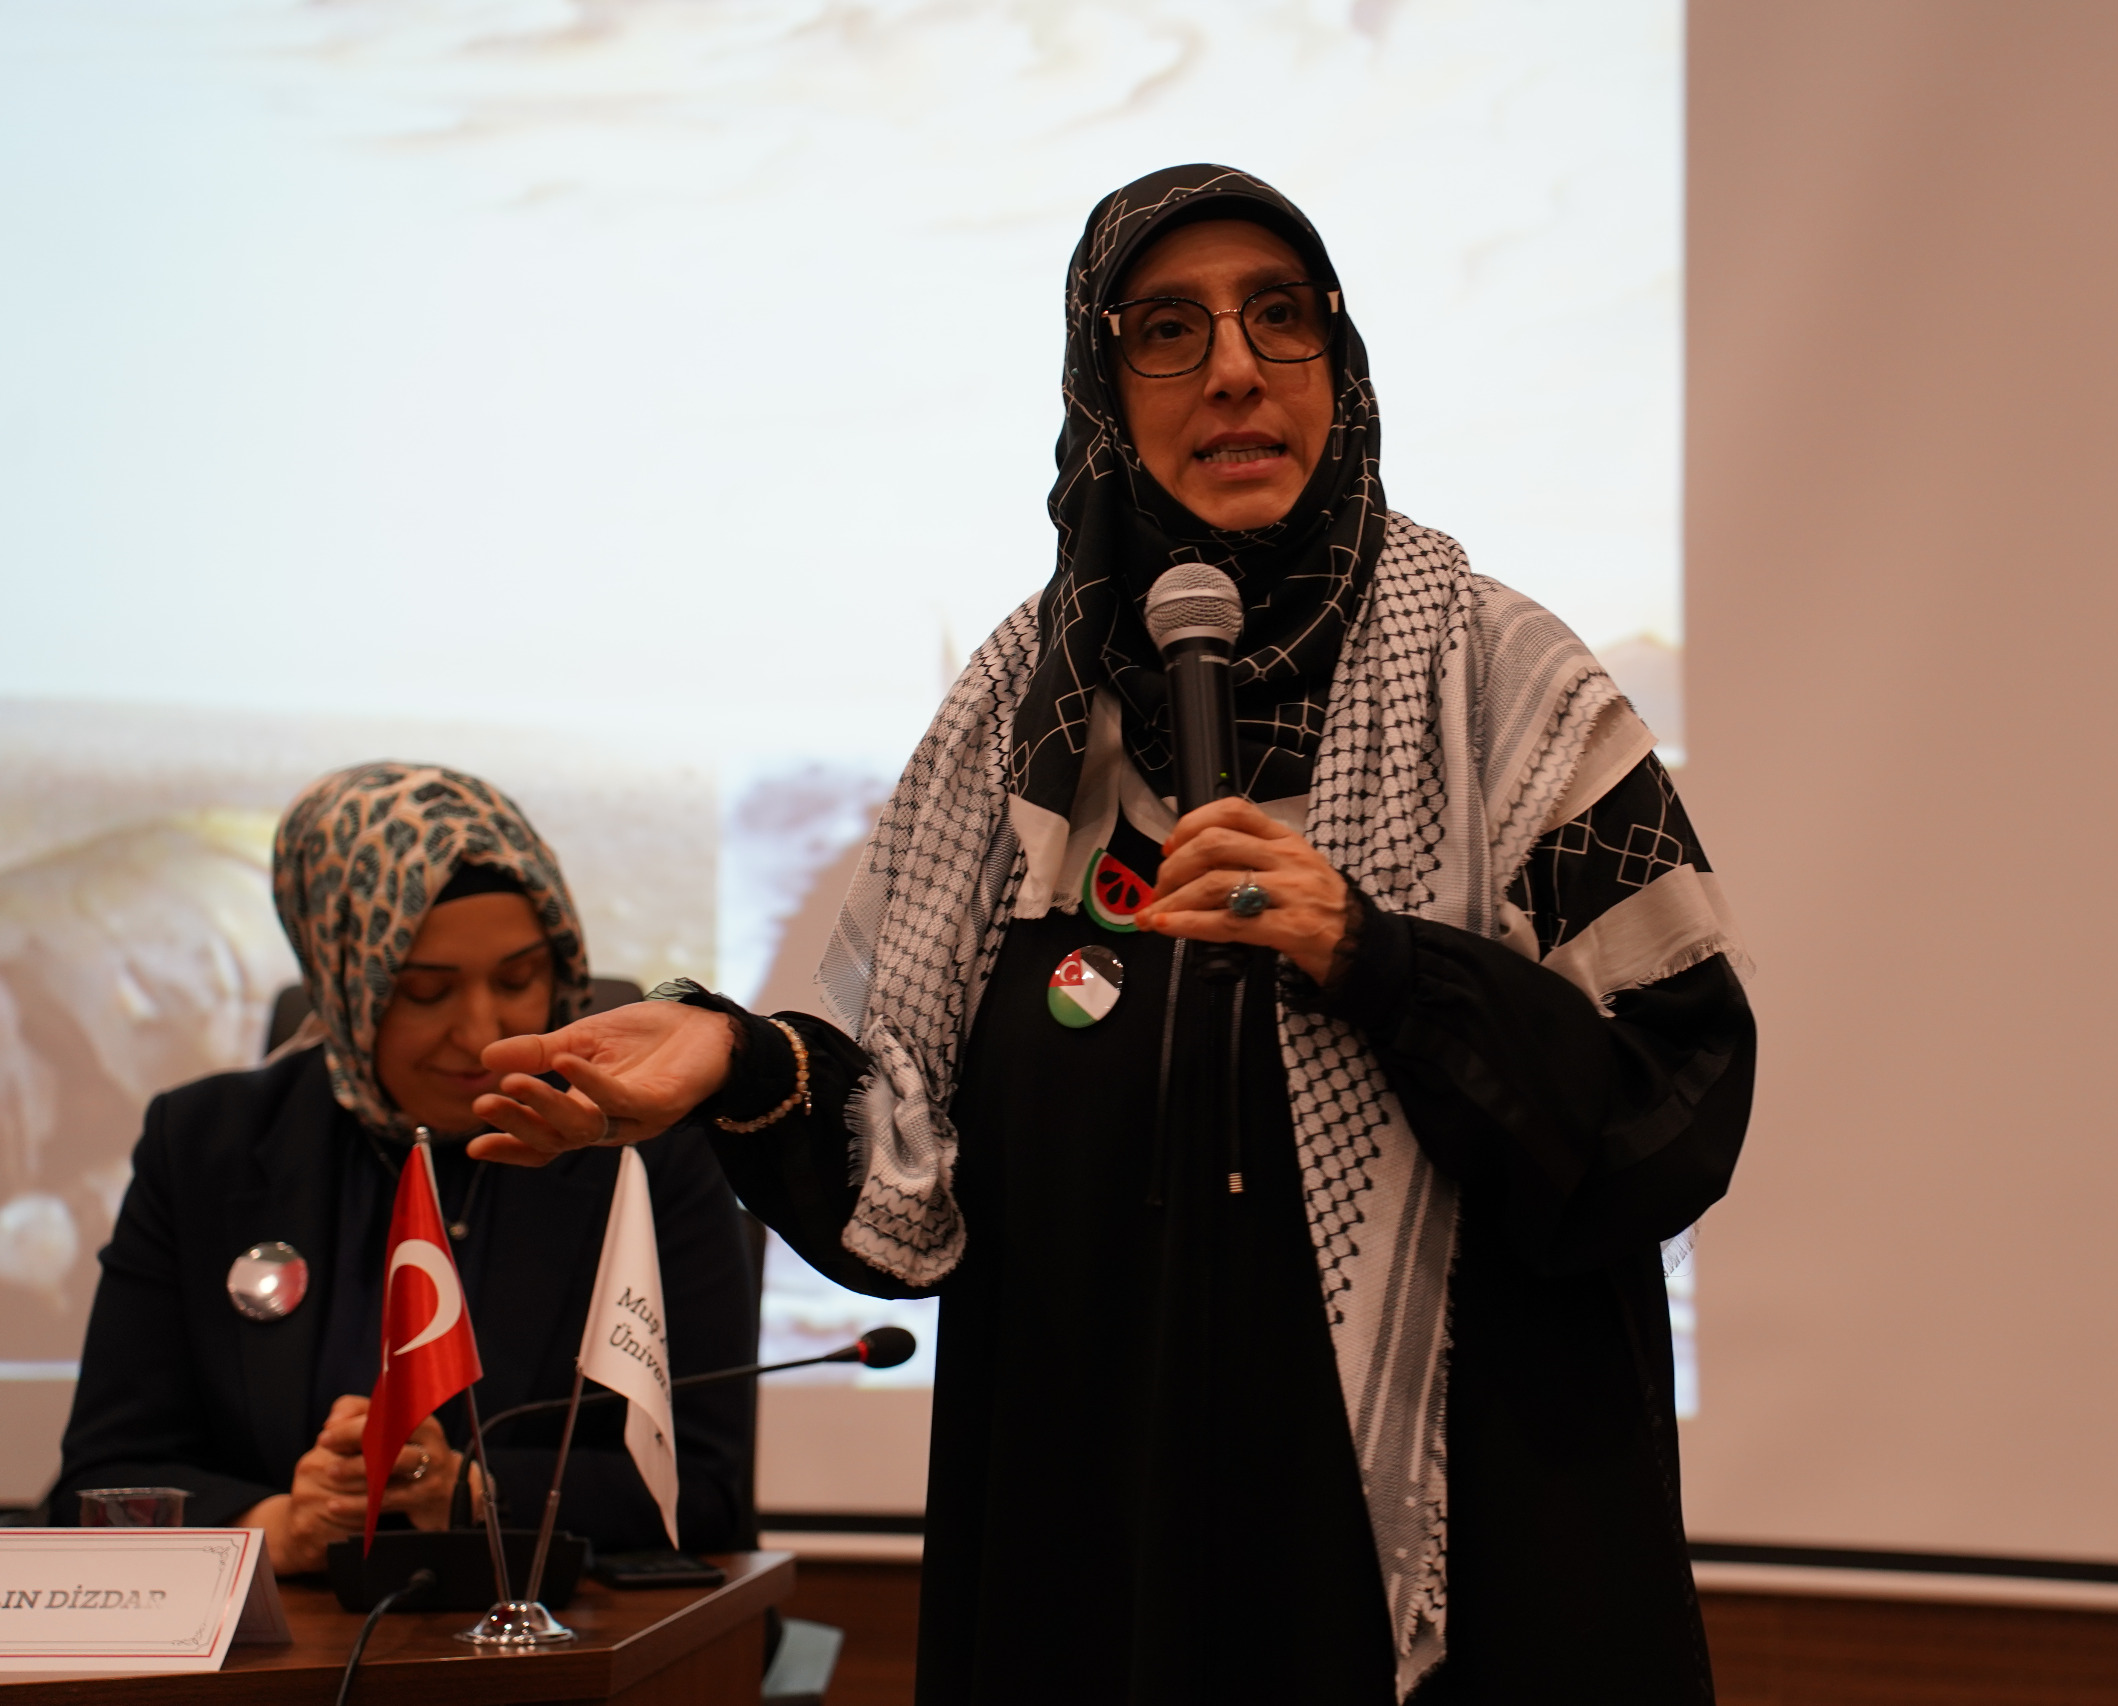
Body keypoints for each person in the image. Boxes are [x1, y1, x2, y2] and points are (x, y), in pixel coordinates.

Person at [471, 166, 1757, 1704]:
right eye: (1168, 328)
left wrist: (1378, 957)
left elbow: (1676, 1098)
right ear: (1100, 388)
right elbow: (912, 1170)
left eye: (1278, 316)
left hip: (1460, 1579)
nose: (1235, 369)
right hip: (1102, 1557)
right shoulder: (1014, 719)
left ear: (1339, 362)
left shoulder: (1511, 688)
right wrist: (740, 1058)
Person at [51, 762, 757, 1571]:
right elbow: (101, 1486)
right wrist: (285, 1527)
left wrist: (466, 1493)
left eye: (519, 979)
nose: (483, 1034)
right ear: (344, 982)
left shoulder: (643, 1148)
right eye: (425, 992)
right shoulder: (206, 1143)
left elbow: (708, 1493)